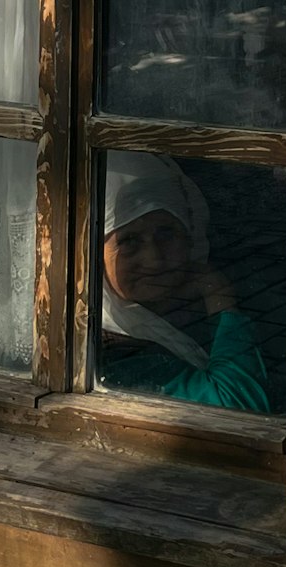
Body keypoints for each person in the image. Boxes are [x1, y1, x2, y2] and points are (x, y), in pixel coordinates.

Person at [100, 151, 271, 414]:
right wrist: (220, 295)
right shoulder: (110, 350)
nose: (154, 259)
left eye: (166, 233)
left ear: (190, 236)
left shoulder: (177, 317)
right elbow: (237, 406)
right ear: (92, 255)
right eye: (129, 242)